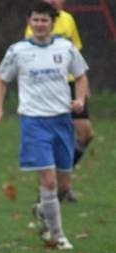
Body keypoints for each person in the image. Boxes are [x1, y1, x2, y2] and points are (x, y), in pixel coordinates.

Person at [0, 1, 89, 250]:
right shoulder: (18, 51)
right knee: (49, 181)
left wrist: (80, 98)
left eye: (44, 20)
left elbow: (81, 76)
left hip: (62, 121)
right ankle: (57, 235)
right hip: (34, 122)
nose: (40, 24)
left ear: (53, 23)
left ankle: (43, 209)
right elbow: (1, 80)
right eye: (36, 20)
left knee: (63, 185)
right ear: (29, 22)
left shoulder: (66, 48)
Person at [24, 0, 94, 202]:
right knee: (54, 139)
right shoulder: (38, 21)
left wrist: (83, 85)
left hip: (71, 84)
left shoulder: (68, 19)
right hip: (50, 86)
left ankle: (60, 181)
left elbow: (76, 50)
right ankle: (53, 186)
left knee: (85, 134)